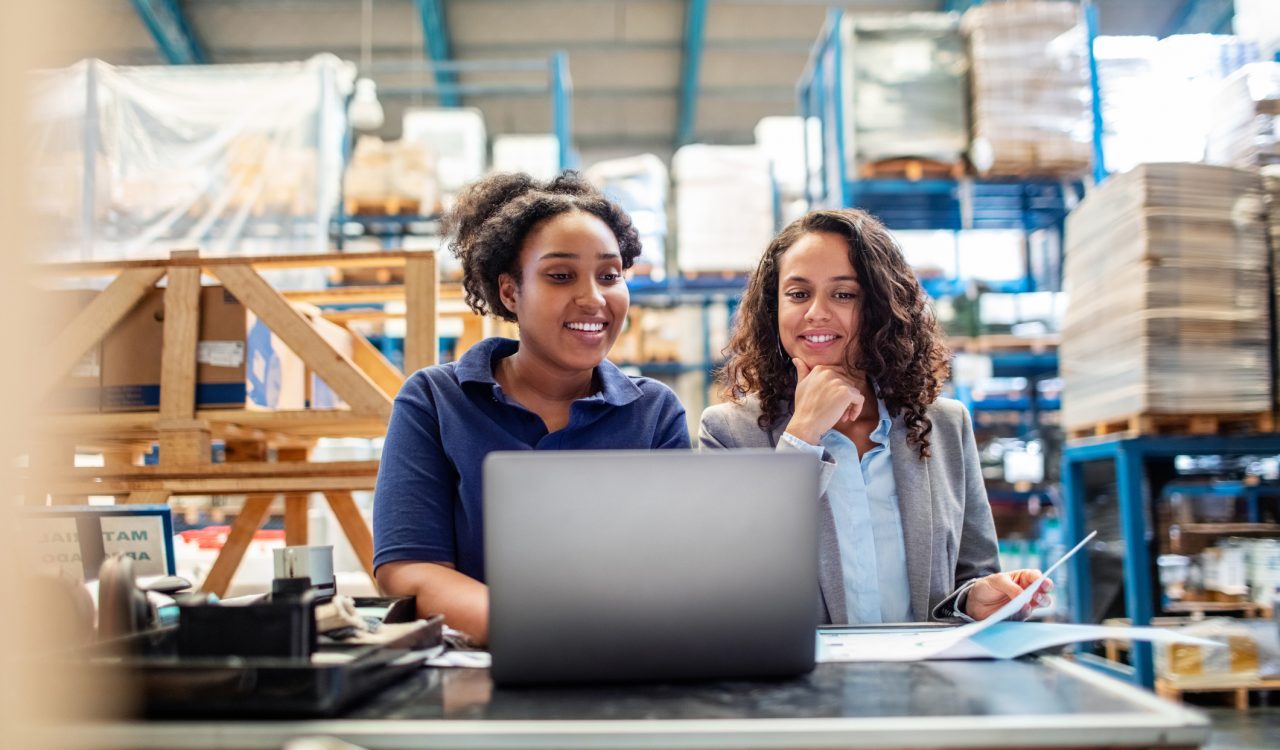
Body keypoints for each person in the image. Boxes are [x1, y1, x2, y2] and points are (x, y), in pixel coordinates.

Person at [373, 172, 691, 645]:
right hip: (482, 673)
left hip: (623, 667)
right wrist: (533, 632)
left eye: (610, 275)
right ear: (509, 291)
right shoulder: (436, 402)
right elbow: (409, 568)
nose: (594, 298)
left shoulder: (654, 413)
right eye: (561, 276)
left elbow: (677, 570)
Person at [699, 208, 1050, 624]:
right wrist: (802, 436)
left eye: (844, 294)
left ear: (881, 307)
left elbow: (974, 572)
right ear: (773, 309)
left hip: (923, 683)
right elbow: (725, 582)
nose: (816, 312)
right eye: (798, 294)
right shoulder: (727, 432)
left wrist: (976, 599)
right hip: (802, 686)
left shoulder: (944, 426)